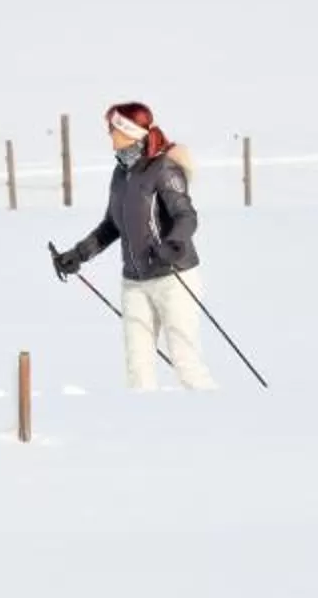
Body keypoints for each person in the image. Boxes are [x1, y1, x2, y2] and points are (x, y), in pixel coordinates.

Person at [52, 102, 218, 391]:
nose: (109, 134)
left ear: (130, 132)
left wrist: (173, 244)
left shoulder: (164, 169)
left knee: (185, 360)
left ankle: (213, 419)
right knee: (137, 365)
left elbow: (186, 216)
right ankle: (143, 428)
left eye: (114, 128)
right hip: (135, 282)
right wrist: (77, 255)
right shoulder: (120, 174)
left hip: (172, 277)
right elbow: (111, 225)